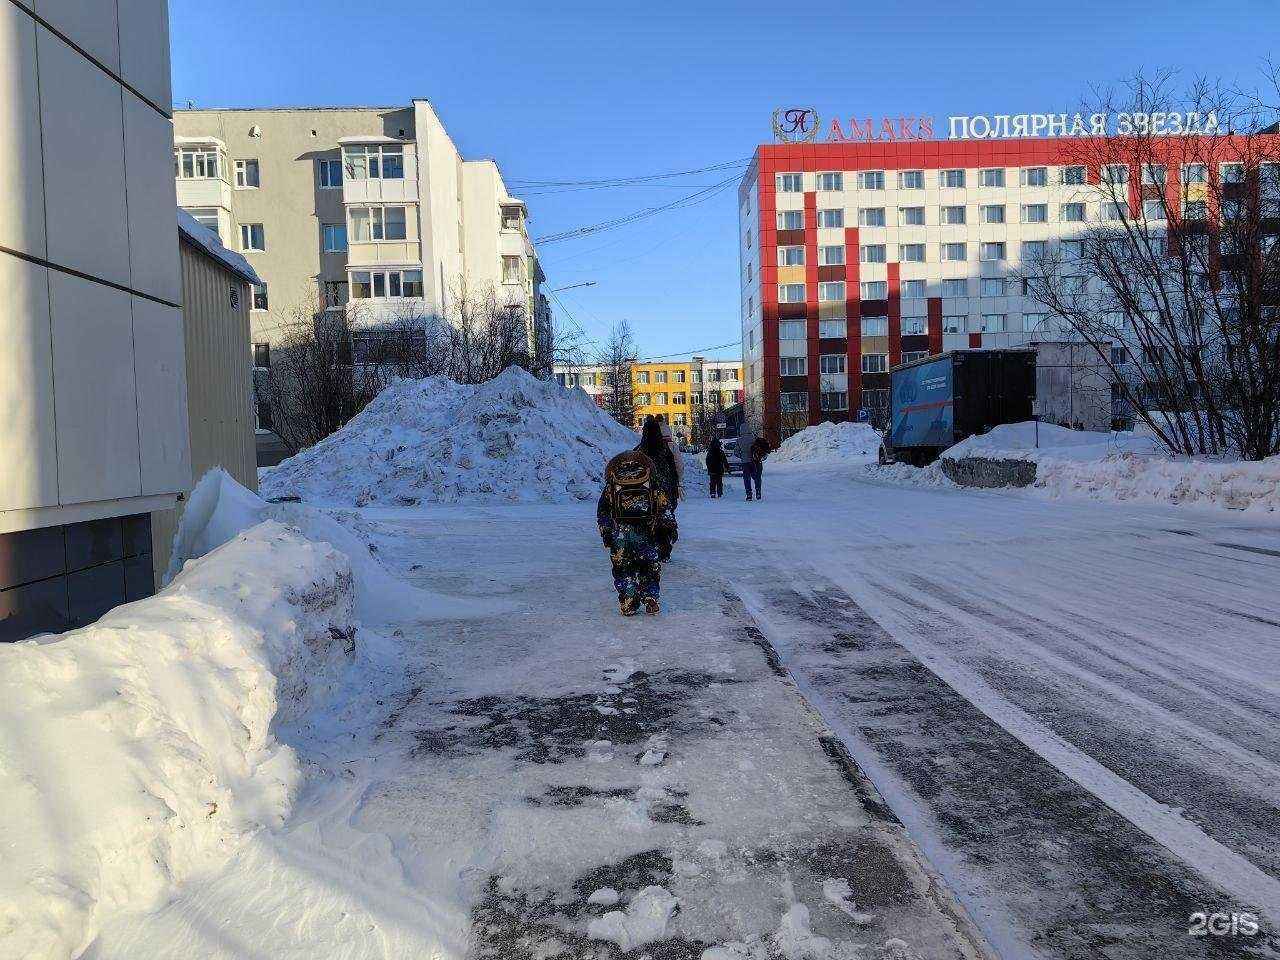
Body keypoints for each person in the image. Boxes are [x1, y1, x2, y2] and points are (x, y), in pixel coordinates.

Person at [597, 449, 676, 616]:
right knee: (649, 566)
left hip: (620, 534)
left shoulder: (614, 481)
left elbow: (603, 510)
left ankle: (628, 601)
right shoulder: (650, 479)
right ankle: (650, 595)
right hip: (647, 532)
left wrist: (606, 532)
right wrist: (669, 529)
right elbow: (664, 507)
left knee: (623, 568)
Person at [657, 415, 684, 501]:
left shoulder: (654, 444)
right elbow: (679, 464)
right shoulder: (672, 445)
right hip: (671, 475)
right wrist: (679, 478)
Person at [736, 423, 762, 501]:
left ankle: (749, 494)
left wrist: (742, 456)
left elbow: (736, 452)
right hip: (755, 461)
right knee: (757, 477)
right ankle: (758, 491)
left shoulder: (739, 440)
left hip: (745, 462)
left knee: (746, 478)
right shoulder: (754, 438)